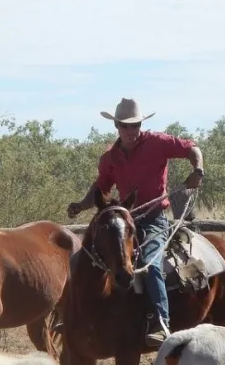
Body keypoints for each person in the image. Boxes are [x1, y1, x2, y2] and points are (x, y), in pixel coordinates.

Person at [67, 97, 205, 347]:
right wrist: (81, 204)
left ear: (141, 124)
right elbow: (101, 186)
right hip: (125, 220)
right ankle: (75, 315)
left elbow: (191, 148)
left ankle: (161, 322)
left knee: (151, 265)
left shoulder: (158, 142)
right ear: (116, 126)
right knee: (83, 259)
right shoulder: (110, 158)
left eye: (135, 125)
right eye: (125, 125)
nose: (131, 130)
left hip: (153, 219)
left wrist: (198, 170)